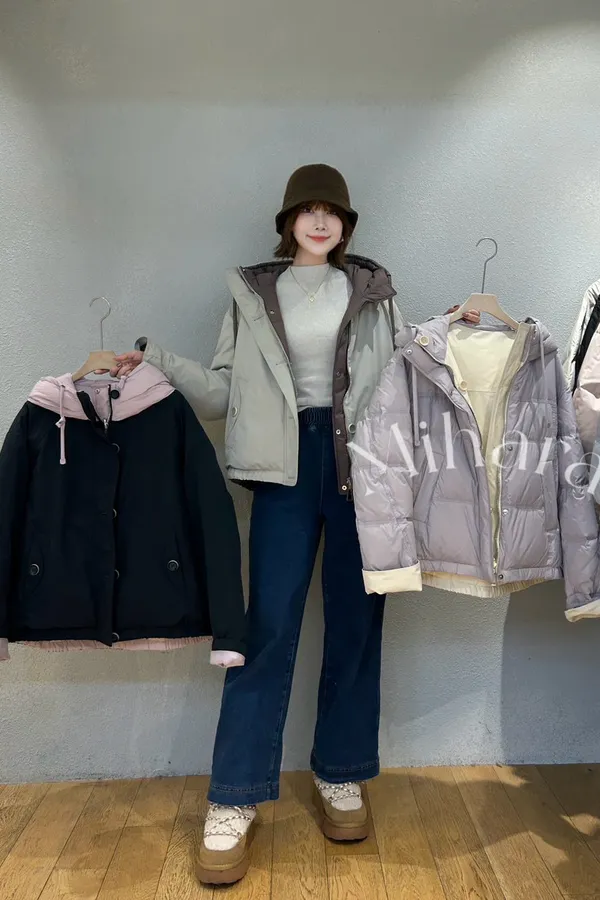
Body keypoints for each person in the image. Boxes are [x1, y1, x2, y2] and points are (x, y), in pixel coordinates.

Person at [113, 164, 478, 885]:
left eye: (331, 211)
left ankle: (342, 773)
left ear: (346, 224)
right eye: (306, 210)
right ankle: (234, 796)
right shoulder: (254, 295)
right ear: (287, 222)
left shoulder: (372, 292)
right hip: (282, 468)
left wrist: (451, 335)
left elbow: (404, 376)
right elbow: (221, 393)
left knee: (358, 622)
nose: (319, 221)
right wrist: (159, 364)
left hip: (363, 468)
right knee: (265, 630)